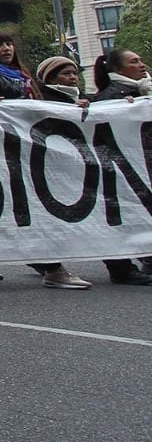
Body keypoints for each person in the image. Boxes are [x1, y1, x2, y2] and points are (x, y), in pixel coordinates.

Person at [25, 57, 94, 289]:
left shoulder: (79, 99)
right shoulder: (43, 100)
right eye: (65, 74)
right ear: (50, 78)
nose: (72, 78)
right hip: (49, 166)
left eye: (75, 73)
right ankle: (51, 267)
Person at [90, 49, 152, 285]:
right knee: (121, 216)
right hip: (123, 166)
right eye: (134, 61)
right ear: (117, 69)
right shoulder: (113, 96)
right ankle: (121, 267)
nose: (141, 64)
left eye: (140, 60)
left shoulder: (141, 90)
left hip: (140, 163)